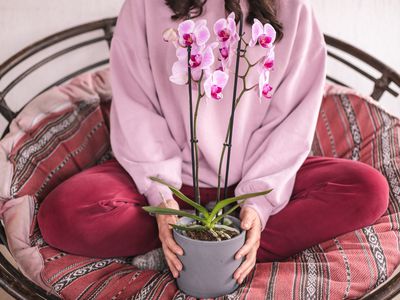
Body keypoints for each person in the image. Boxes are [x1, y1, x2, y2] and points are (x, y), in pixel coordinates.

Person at [38, 0, 390, 286]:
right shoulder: (144, 5)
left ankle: (214, 247)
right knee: (61, 216)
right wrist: (162, 199)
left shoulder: (294, 9)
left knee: (368, 189)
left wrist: (259, 201)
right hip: (164, 180)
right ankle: (189, 240)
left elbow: (292, 119)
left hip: (254, 181)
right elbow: (137, 106)